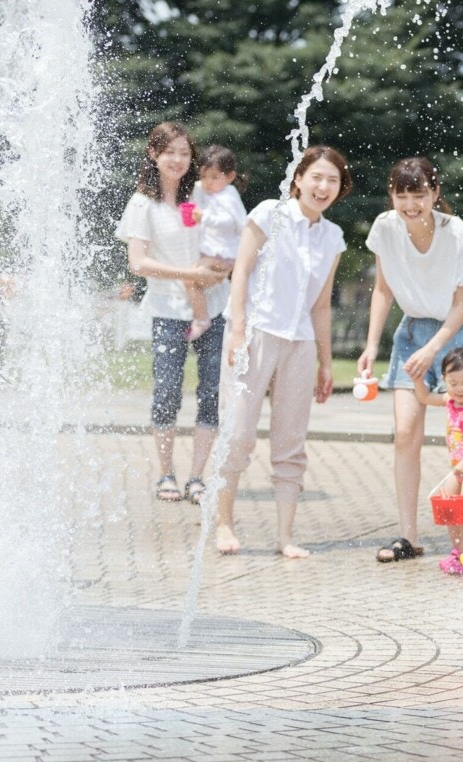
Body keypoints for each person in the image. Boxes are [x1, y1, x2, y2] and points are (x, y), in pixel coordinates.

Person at [214, 146, 351, 558]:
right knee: (237, 435)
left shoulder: (333, 237)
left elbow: (321, 305)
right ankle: (223, 522)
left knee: (290, 443)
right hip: (255, 334)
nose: (323, 187)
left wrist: (326, 363)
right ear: (298, 179)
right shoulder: (268, 213)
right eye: (317, 177)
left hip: (301, 344)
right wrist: (238, 331)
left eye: (333, 180)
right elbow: (240, 274)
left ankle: (285, 537)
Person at [356, 157, 463, 564]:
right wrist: (371, 346)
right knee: (405, 433)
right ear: (392, 195)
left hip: (461, 333)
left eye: (419, 195)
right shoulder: (385, 227)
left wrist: (433, 349)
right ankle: (408, 537)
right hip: (413, 330)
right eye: (402, 196)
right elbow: (382, 289)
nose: (410, 204)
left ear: (435, 194)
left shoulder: (457, 234)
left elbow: (461, 303)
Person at [115, 122, 231, 505]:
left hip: (214, 306)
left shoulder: (200, 193)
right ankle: (166, 472)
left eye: (184, 153)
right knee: (166, 391)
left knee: (212, 391)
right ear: (153, 154)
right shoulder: (141, 204)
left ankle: (197, 477)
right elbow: (138, 263)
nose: (178, 160)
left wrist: (222, 271)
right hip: (167, 309)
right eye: (170, 152)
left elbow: (231, 234)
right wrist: (189, 276)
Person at [407, 346, 463, 573]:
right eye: (453, 383)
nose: (459, 390)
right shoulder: (449, 400)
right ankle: (457, 550)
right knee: (449, 508)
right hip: (457, 468)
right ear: (444, 379)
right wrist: (417, 379)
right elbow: (424, 397)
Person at [186, 146, 247, 341]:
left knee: (191, 280)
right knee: (195, 281)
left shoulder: (228, 195)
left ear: (230, 177)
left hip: (224, 255)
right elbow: (194, 190)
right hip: (217, 254)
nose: (207, 183)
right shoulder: (212, 192)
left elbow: (234, 222)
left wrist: (205, 217)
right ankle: (203, 317)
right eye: (204, 177)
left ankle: (201, 319)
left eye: (213, 177)